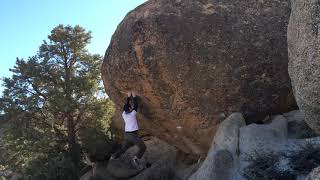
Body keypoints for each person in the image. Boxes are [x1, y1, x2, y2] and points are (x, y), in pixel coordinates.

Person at [110, 91, 146, 168]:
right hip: (132, 135)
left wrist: (128, 97)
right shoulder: (132, 114)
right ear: (129, 109)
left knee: (123, 149)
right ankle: (136, 158)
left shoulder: (124, 114)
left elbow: (128, 105)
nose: (132, 107)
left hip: (127, 135)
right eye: (131, 107)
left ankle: (113, 157)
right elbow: (136, 105)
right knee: (143, 147)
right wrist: (134, 96)